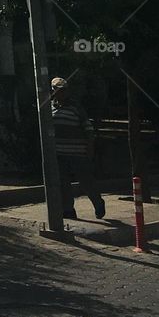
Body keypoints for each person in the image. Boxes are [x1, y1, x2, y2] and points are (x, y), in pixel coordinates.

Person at [50, 77, 106, 219]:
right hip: (59, 152)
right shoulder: (50, 108)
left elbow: (87, 127)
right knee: (64, 183)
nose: (62, 93)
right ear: (54, 91)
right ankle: (68, 209)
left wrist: (90, 145)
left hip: (77, 151)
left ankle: (98, 203)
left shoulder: (75, 107)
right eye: (59, 90)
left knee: (85, 179)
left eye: (64, 90)